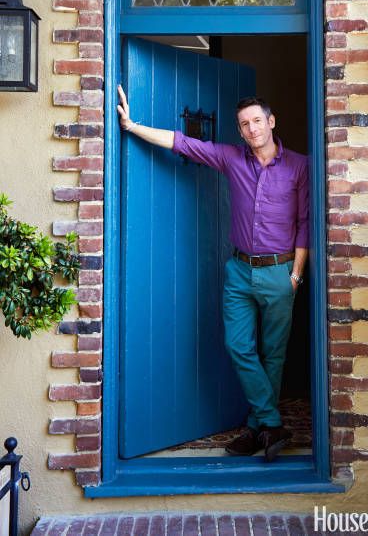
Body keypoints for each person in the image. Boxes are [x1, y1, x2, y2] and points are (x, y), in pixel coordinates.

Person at [117, 84, 309, 462]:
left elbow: (305, 222)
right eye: (244, 124)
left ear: (271, 122)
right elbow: (184, 144)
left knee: (274, 354)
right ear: (239, 131)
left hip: (280, 271)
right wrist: (132, 126)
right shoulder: (231, 159)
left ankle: (257, 429)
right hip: (239, 271)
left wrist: (296, 274)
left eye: (257, 120)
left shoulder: (300, 166)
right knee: (239, 346)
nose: (252, 129)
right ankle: (271, 423)